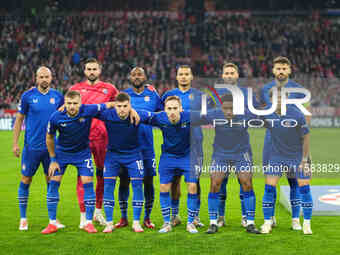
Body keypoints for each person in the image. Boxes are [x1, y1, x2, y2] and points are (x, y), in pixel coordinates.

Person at [41, 90, 115, 234]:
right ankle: (52, 223)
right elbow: (49, 138)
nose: (72, 106)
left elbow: (107, 105)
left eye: (75, 103)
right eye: (69, 103)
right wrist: (53, 160)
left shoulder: (88, 110)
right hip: (62, 154)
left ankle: (88, 222)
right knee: (53, 184)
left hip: (82, 154)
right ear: (65, 104)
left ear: (80, 104)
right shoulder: (56, 117)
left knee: (88, 183)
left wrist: (127, 108)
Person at [192, 94, 260, 234]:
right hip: (221, 154)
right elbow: (192, 116)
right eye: (226, 108)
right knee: (215, 183)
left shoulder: (246, 114)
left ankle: (250, 223)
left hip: (241, 154)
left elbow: (265, 116)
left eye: (232, 108)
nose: (229, 112)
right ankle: (213, 223)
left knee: (246, 182)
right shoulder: (214, 114)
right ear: (220, 107)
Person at [259, 56, 311, 230]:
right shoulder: (265, 89)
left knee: (294, 181)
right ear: (273, 70)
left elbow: (307, 115)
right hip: (271, 142)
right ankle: (270, 217)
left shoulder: (299, 90)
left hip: (294, 144)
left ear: (289, 70)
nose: (281, 71)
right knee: (270, 182)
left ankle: (295, 219)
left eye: (284, 68)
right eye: (278, 68)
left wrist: (305, 142)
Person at [12, 66, 64, 231]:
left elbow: (63, 119)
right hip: (31, 148)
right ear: (36, 78)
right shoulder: (28, 96)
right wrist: (15, 143)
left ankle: (53, 219)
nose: (44, 80)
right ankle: (23, 218)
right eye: (41, 77)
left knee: (51, 182)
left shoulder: (57, 96)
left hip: (51, 149)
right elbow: (19, 119)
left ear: (51, 78)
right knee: (26, 179)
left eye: (46, 77)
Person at [207, 63, 258, 228]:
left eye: (232, 72)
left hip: (242, 147)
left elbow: (258, 113)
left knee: (245, 182)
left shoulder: (246, 94)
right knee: (218, 183)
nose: (229, 75)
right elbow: (205, 114)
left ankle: (246, 218)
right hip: (221, 147)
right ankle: (219, 217)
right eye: (226, 73)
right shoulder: (214, 94)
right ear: (222, 76)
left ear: (237, 75)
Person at [97, 92, 156, 233]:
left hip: (134, 155)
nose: (122, 109)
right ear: (115, 106)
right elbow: (88, 110)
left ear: (130, 106)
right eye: (119, 106)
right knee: (109, 186)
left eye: (125, 106)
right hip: (113, 156)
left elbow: (158, 117)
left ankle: (136, 222)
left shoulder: (138, 115)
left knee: (137, 186)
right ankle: (109, 223)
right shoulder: (107, 115)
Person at [70, 58, 119, 228]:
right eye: (89, 69)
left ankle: (98, 211)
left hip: (103, 138)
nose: (91, 72)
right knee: (83, 177)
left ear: (99, 70)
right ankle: (84, 216)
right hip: (82, 138)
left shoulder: (110, 88)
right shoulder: (75, 89)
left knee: (102, 175)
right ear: (84, 71)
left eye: (94, 69)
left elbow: (120, 106)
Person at [115, 67, 162, 229]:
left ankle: (147, 218)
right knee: (124, 181)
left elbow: (162, 114)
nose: (136, 77)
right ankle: (123, 217)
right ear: (129, 76)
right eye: (134, 74)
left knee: (148, 181)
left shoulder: (153, 95)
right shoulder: (124, 96)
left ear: (145, 77)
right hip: (127, 147)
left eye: (139, 74)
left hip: (147, 147)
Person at [161, 65, 204, 228]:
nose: (184, 77)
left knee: (195, 181)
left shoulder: (199, 96)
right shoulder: (168, 95)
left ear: (191, 76)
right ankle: (175, 215)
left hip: (196, 144)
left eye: (187, 74)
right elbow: (161, 116)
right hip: (174, 146)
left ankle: (195, 216)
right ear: (176, 76)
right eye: (181, 74)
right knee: (174, 181)